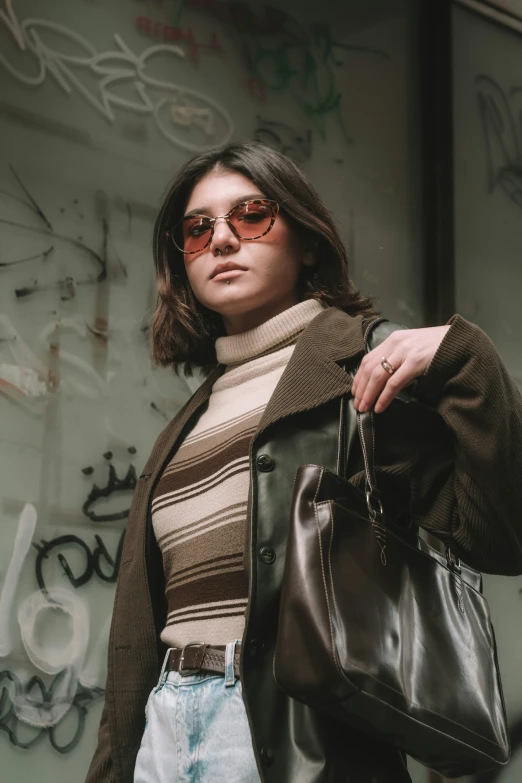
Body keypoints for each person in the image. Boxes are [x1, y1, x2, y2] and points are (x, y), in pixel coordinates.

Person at [86, 140, 522, 783]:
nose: (223, 240)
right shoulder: (192, 420)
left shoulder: (364, 376)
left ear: (307, 240)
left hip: (286, 736)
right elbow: (142, 630)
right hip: (166, 730)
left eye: (252, 214)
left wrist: (465, 359)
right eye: (197, 228)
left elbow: (500, 534)